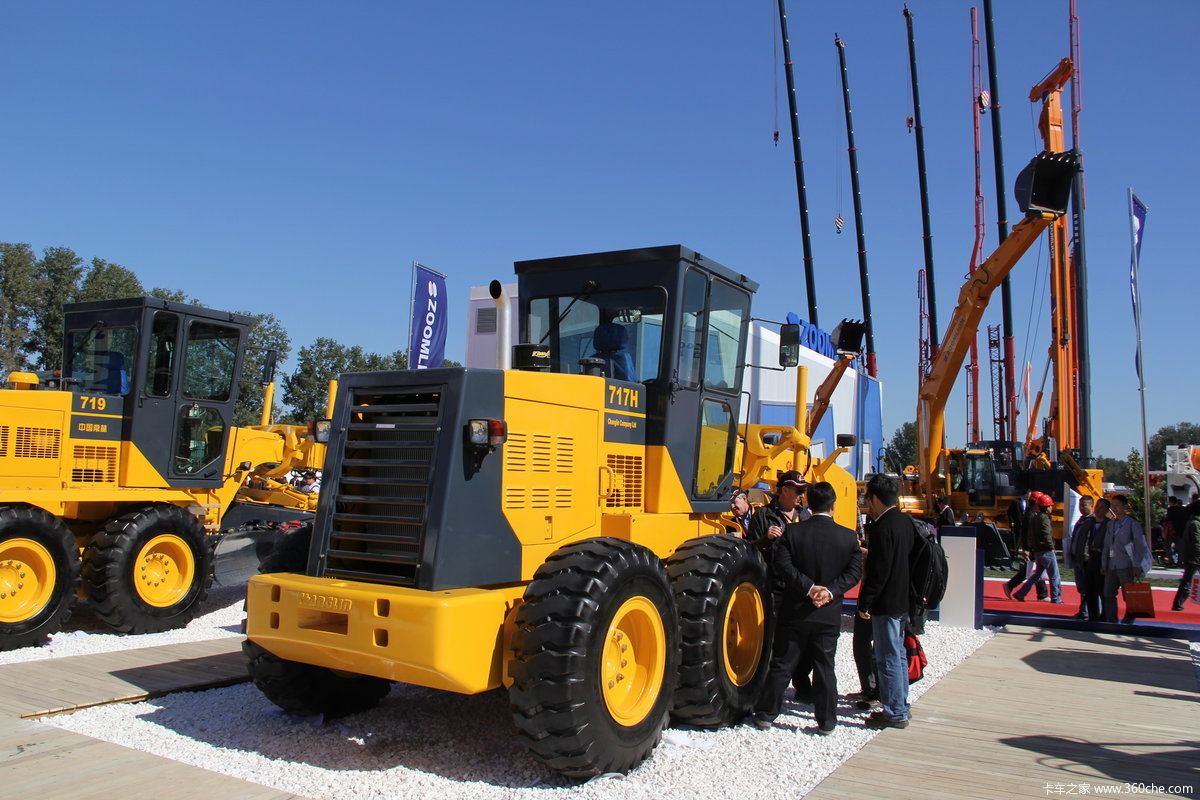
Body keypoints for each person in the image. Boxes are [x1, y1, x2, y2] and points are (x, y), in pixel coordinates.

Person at [751, 482, 861, 734]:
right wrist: (829, 591)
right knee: (824, 666)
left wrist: (809, 588)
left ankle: (767, 714)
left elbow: (783, 566)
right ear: (833, 505)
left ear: (808, 503)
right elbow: (854, 572)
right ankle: (827, 721)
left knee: (783, 662)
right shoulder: (848, 537)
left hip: (796, 608)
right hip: (828, 612)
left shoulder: (793, 533)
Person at [857, 473, 913, 730]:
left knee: (887, 656)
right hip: (902, 599)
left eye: (867, 498)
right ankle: (901, 704)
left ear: (876, 498)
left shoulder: (881, 528)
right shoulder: (905, 522)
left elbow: (879, 571)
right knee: (899, 655)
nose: (867, 503)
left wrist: (866, 602)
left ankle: (894, 712)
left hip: (886, 602)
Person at [1101, 494, 1151, 624]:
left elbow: (1139, 546)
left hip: (1126, 565)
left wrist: (1137, 564)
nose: (1114, 508)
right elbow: (1106, 545)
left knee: (1129, 594)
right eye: (1112, 505)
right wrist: (1104, 563)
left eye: (1117, 505)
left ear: (1124, 506)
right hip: (1112, 565)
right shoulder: (1110, 524)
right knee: (1108, 593)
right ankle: (1111, 619)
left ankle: (1129, 619)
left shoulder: (1132, 524)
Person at [1012, 492, 1062, 603]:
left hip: (1038, 551)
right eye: (1050, 506)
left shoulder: (1034, 517)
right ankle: (1056, 598)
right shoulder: (1044, 519)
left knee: (1036, 575)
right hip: (1046, 551)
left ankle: (1021, 593)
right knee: (1054, 575)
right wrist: (1051, 546)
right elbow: (1046, 534)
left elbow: (1030, 535)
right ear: (1047, 507)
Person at [1005, 490, 1047, 601]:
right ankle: (1041, 593)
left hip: (1034, 547)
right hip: (1032, 547)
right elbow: (1027, 534)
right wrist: (1026, 548)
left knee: (1035, 569)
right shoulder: (1030, 516)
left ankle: (1042, 593)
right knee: (1034, 569)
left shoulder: (1032, 514)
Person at [1067, 495, 1097, 619]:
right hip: (1078, 560)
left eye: (1084, 505)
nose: (1081, 508)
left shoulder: (1093, 522)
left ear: (1091, 506)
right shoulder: (1081, 521)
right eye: (1080, 505)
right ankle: (1084, 611)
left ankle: (1092, 612)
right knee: (1082, 588)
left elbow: (1090, 542)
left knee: (1090, 588)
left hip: (1087, 561)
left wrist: (1086, 558)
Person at [1171, 499, 1200, 611]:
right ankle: (1178, 603)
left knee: (1187, 581)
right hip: (1194, 558)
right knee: (1187, 582)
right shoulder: (1195, 524)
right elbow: (1196, 542)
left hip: (1191, 557)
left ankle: (1178, 603)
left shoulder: (1192, 522)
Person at [1164, 495, 1188, 567]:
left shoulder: (1170, 510)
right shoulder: (1183, 509)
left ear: (1170, 502)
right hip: (1180, 532)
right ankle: (1180, 562)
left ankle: (1171, 561)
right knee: (1180, 548)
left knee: (1167, 546)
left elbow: (1167, 520)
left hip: (1171, 532)